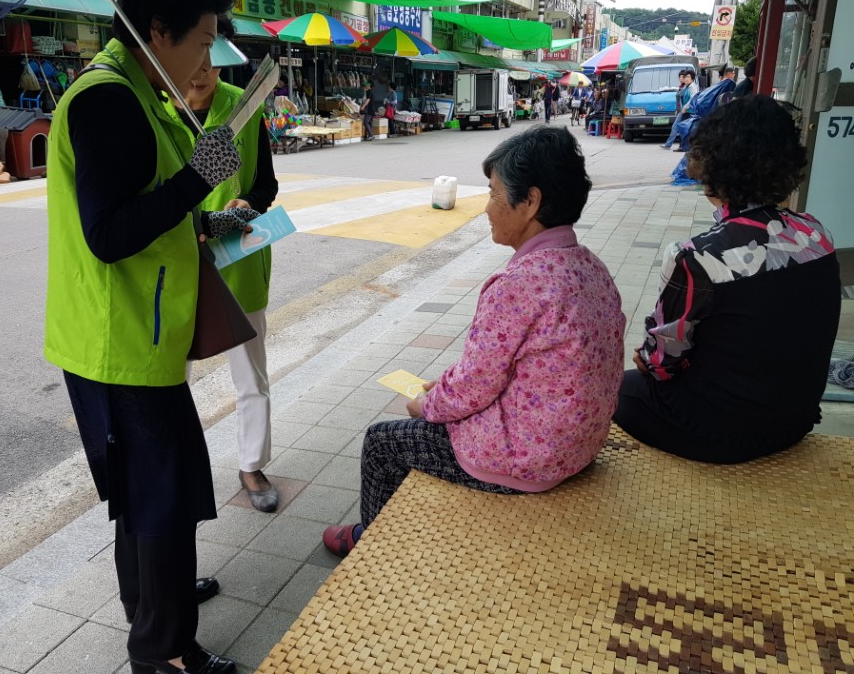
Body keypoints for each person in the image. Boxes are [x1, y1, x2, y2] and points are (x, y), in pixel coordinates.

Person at [45, 0, 243, 672]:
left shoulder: (138, 94)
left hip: (133, 338)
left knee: (148, 492)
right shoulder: (109, 99)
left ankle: (155, 617)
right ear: (157, 31)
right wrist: (199, 176)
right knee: (164, 498)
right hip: (120, 344)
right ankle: (163, 653)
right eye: (200, 40)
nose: (204, 58)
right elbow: (110, 234)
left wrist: (205, 216)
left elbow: (146, 214)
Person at [321, 127, 626, 556]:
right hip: (579, 444)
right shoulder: (590, 266)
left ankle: (367, 544)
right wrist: (444, 387)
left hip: (531, 457)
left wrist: (426, 405)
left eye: (494, 193)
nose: (486, 207)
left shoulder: (519, 283)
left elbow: (474, 385)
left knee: (383, 442)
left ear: (531, 202)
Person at [615, 96, 841, 464]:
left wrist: (648, 357)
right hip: (796, 421)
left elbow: (660, 362)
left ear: (712, 163)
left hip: (720, 434)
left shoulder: (698, 256)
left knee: (618, 387)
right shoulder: (818, 236)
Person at [169, 15, 281, 513]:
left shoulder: (244, 108)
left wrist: (247, 207)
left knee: (251, 375)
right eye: (194, 68)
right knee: (170, 379)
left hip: (238, 258)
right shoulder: (157, 112)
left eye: (212, 69)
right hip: (177, 262)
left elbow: (266, 184)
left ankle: (251, 465)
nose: (201, 78)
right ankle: (172, 470)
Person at [663, 69, 698, 150]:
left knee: (684, 128)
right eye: (685, 77)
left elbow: (693, 98)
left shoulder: (693, 87)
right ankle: (682, 146)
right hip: (684, 111)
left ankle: (683, 146)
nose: (686, 78)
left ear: (692, 78)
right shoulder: (686, 86)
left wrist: (685, 107)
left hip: (690, 111)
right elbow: (680, 97)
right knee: (682, 127)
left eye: (688, 77)